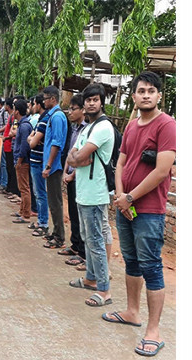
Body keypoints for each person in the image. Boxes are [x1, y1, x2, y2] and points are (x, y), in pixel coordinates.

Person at [104, 71, 175, 357]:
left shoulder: (166, 125)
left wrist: (130, 197)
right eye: (141, 90)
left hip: (149, 210)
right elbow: (120, 163)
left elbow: (161, 171)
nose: (146, 95)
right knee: (131, 261)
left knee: (151, 266)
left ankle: (154, 331)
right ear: (133, 96)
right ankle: (133, 311)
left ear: (159, 95)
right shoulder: (132, 126)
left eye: (151, 90)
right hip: (126, 205)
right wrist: (121, 197)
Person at [67, 83, 115, 307]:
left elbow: (81, 155)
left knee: (95, 242)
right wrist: (78, 158)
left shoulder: (103, 127)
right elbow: (72, 156)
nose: (91, 103)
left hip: (96, 194)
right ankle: (90, 278)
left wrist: (79, 157)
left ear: (101, 102)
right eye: (88, 100)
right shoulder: (86, 128)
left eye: (95, 99)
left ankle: (104, 291)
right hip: (83, 193)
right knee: (88, 238)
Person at [60, 94, 88, 268]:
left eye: (73, 108)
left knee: (80, 215)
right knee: (72, 213)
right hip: (69, 175)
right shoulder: (74, 129)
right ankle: (75, 245)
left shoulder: (88, 129)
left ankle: (82, 252)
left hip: (79, 178)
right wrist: (65, 172)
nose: (70, 112)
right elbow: (70, 152)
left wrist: (72, 174)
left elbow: (84, 157)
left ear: (82, 110)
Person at [41, 85, 68, 249]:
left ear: (52, 99)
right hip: (51, 165)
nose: (43, 102)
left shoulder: (57, 117)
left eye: (45, 98)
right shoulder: (53, 116)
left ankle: (59, 236)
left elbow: (56, 143)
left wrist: (49, 165)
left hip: (54, 166)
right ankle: (56, 231)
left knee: (55, 201)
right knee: (52, 201)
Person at [28, 94, 49, 236]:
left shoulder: (43, 122)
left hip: (39, 161)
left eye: (34, 103)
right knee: (37, 192)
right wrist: (32, 137)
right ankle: (41, 221)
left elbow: (32, 142)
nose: (33, 106)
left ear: (39, 105)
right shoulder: (40, 120)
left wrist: (33, 138)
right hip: (34, 160)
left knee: (41, 193)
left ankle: (43, 223)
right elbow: (30, 137)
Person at [11, 99, 33, 224]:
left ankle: (26, 214)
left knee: (24, 188)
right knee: (22, 187)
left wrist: (19, 161)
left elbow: (24, 146)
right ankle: (22, 210)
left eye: (14, 109)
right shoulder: (23, 124)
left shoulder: (24, 126)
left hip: (23, 161)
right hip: (20, 160)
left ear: (17, 111)